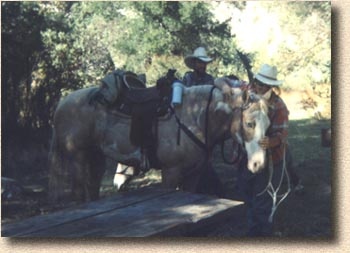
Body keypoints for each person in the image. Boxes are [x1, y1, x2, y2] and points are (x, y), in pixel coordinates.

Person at [236, 64, 299, 236]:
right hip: (247, 156)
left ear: (271, 86)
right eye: (257, 83)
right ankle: (254, 227)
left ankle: (262, 235)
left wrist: (271, 141)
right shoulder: (249, 95)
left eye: (263, 85)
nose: (258, 86)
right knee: (247, 192)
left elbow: (283, 133)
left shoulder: (278, 105)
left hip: (270, 160)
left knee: (262, 199)